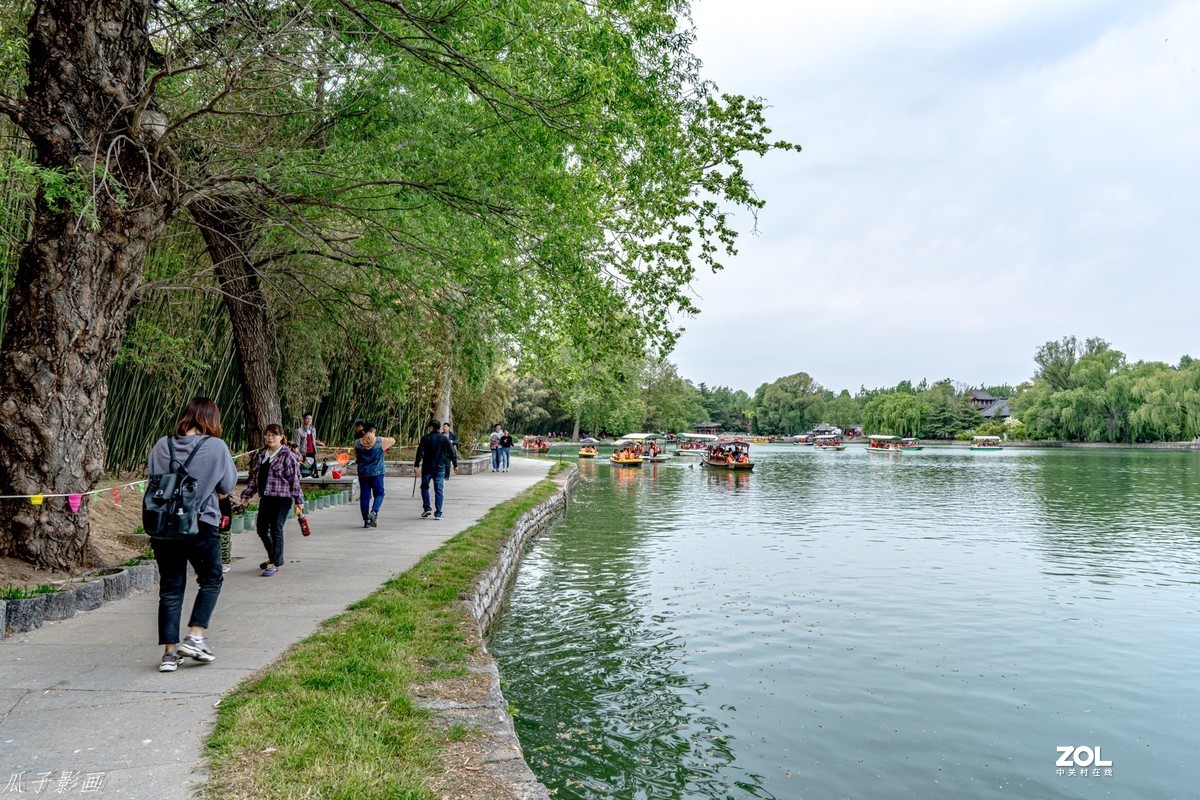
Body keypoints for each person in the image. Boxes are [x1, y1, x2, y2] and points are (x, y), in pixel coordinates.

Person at [148, 397, 238, 673]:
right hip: (201, 524)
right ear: (211, 419)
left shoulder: (162, 445)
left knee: (171, 588)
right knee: (211, 579)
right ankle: (196, 636)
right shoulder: (217, 447)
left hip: (164, 528)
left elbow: (155, 481)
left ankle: (169, 654)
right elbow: (226, 487)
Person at [240, 424, 305, 577]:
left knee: (276, 528)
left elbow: (294, 479)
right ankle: (275, 557)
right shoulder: (262, 455)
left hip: (282, 498)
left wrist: (298, 499)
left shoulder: (287, 455)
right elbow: (255, 479)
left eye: (274, 435)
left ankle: (275, 562)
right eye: (267, 435)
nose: (270, 438)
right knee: (262, 529)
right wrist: (246, 496)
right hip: (266, 498)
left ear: (281, 437)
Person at [355, 422, 395, 528]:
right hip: (377, 472)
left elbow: (357, 457)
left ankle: (366, 520)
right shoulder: (380, 441)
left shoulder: (357, 443)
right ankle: (374, 512)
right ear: (374, 430)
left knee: (364, 496)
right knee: (379, 494)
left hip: (363, 473)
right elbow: (393, 440)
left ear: (363, 431)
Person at [415, 418, 456, 519]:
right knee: (439, 490)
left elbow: (420, 452)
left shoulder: (425, 438)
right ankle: (438, 513)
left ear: (431, 427)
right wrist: (455, 464)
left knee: (424, 487)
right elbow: (452, 452)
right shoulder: (444, 438)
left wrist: (416, 465)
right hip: (440, 467)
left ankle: (427, 508)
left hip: (427, 468)